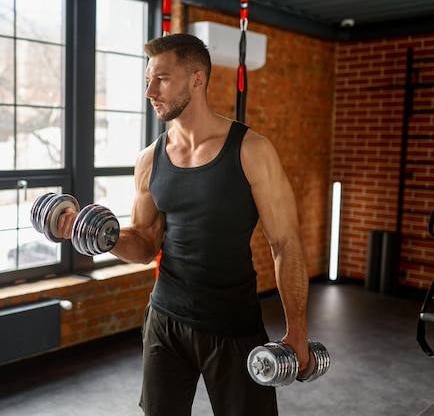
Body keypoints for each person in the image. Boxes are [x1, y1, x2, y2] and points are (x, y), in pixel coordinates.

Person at [58, 33, 310, 416]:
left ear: (197, 80)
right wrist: (92, 231)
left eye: (161, 78)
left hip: (232, 326)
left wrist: (298, 329)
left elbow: (285, 243)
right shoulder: (149, 159)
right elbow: (144, 243)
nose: (150, 92)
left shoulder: (251, 151)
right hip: (165, 320)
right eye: (147, 80)